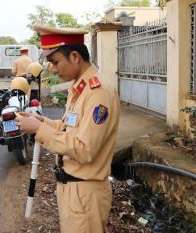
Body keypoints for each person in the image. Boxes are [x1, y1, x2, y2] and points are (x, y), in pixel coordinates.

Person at [16, 25, 120, 233]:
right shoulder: (80, 88)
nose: (53, 69)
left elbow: (85, 149)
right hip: (73, 188)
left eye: (55, 62)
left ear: (74, 56)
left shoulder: (98, 94)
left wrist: (39, 130)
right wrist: (42, 121)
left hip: (85, 191)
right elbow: (69, 129)